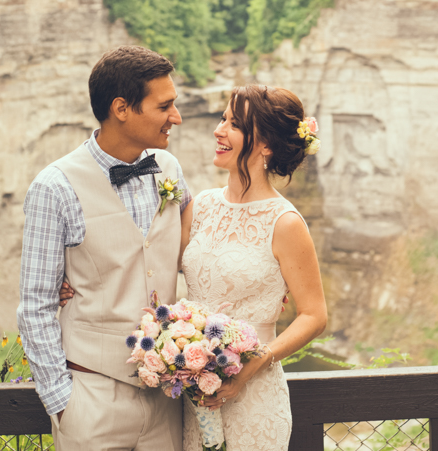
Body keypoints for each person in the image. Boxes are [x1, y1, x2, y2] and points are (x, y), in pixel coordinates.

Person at [18, 45, 193, 451]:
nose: (177, 117)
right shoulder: (54, 187)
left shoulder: (169, 170)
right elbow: (35, 305)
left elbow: (193, 249)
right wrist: (63, 403)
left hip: (166, 399)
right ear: (121, 108)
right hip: (90, 399)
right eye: (165, 106)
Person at [180, 85, 328, 450]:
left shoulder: (286, 222)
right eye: (222, 118)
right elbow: (154, 269)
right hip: (194, 392)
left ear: (266, 146)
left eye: (234, 124)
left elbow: (314, 315)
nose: (219, 130)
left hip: (254, 395)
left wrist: (251, 367)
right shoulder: (200, 206)